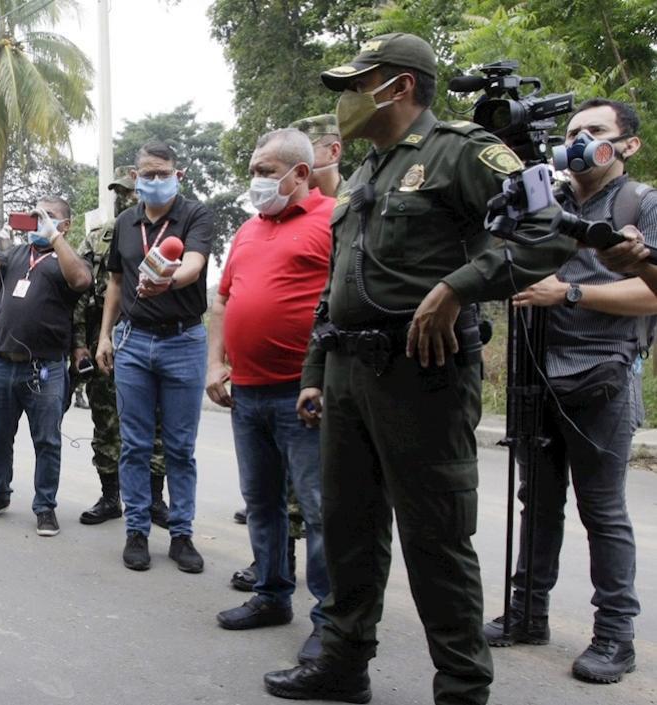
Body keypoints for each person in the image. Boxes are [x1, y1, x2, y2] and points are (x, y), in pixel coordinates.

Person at [262, 33, 574, 705]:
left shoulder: (460, 153)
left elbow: (549, 230)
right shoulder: (365, 174)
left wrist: (461, 285)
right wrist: (316, 368)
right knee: (348, 529)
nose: (346, 99)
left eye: (356, 83)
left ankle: (461, 688)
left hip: (422, 376)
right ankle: (344, 665)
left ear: (399, 87)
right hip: (347, 373)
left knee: (435, 539)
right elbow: (335, 284)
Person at [485, 98, 657, 684]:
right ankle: (526, 613)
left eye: (596, 131)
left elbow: (653, 295)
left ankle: (615, 637)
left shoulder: (643, 204)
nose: (580, 140)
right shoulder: (547, 203)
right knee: (538, 505)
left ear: (627, 145)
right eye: (573, 131)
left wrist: (571, 294)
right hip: (538, 373)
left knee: (602, 511)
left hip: (604, 373)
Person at [206, 128, 333, 664]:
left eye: (265, 170)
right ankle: (272, 595)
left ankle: (333, 619)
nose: (256, 181)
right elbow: (223, 299)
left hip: (302, 393)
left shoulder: (333, 219)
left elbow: (344, 300)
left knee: (321, 508)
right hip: (248, 393)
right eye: (254, 171)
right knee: (262, 502)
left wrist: (324, 378)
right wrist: (216, 361)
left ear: (299, 173)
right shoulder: (249, 229)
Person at [95, 140, 214, 574]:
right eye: (148, 174)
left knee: (180, 447)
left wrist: (169, 282)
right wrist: (105, 336)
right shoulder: (125, 222)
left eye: (164, 173)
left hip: (183, 341)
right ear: (135, 176)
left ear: (177, 175)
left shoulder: (195, 214)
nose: (156, 181)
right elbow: (115, 284)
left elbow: (194, 265)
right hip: (132, 342)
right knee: (135, 445)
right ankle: (137, 531)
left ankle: (181, 534)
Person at [0, 198, 92, 536]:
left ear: (65, 225)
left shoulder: (67, 259)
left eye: (49, 217)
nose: (39, 221)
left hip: (45, 368)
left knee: (47, 441)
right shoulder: (16, 255)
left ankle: (45, 507)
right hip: (0, 362)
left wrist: (54, 239)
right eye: (36, 216)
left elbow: (81, 280)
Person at [74, 168, 170, 527]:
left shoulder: (166, 234)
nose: (127, 198)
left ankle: (155, 500)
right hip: (107, 342)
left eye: (132, 192)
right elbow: (81, 296)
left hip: (151, 339)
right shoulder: (97, 237)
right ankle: (111, 497)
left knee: (155, 426)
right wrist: (81, 344)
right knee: (106, 423)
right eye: (120, 193)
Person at [289, 113, 345, 197]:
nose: (296, 161)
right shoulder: (292, 206)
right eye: (291, 154)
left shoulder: (359, 200)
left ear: (334, 151)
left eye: (305, 151)